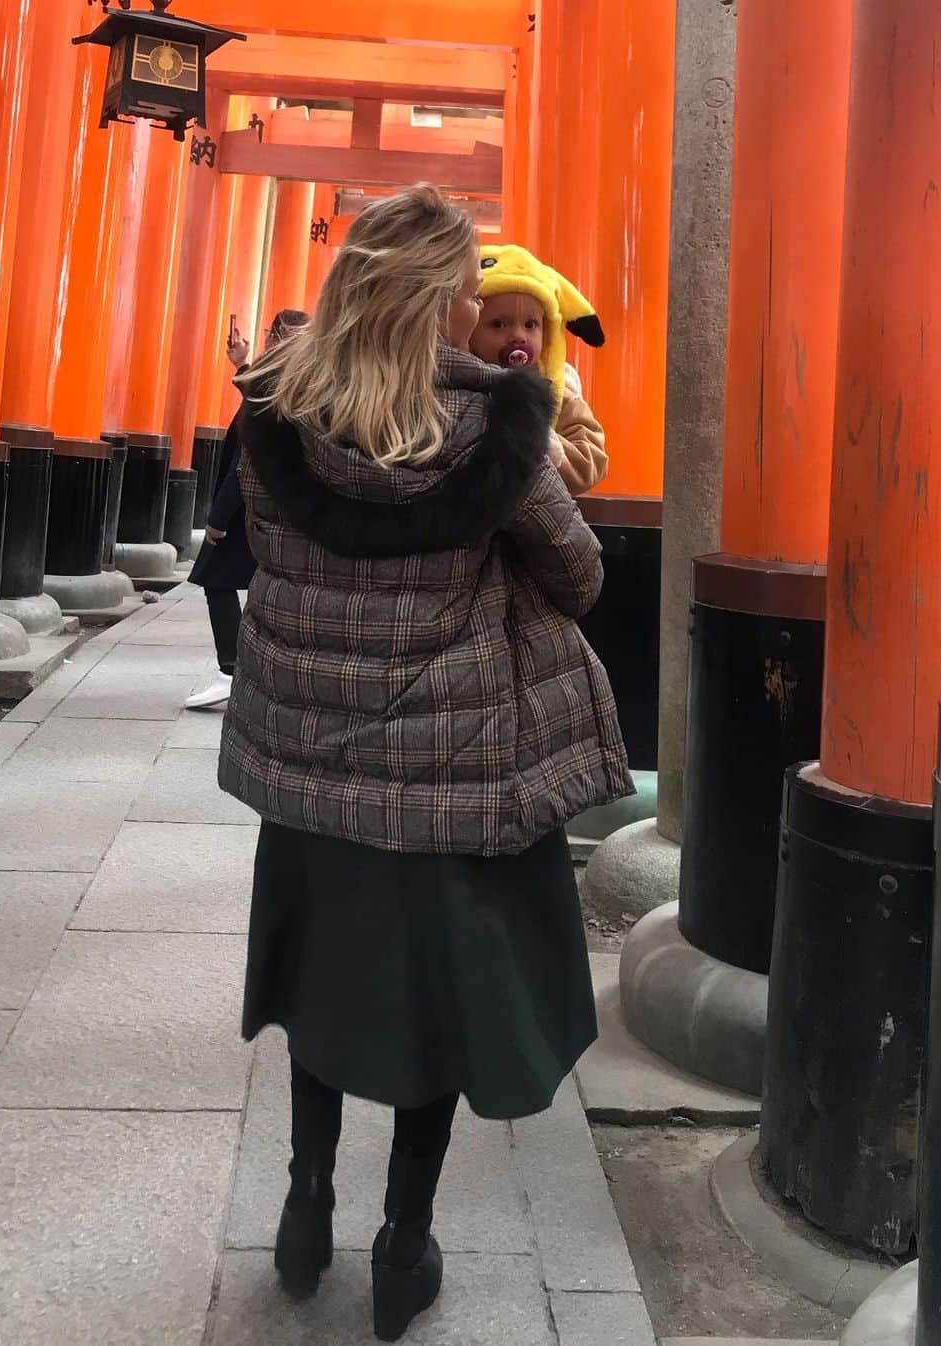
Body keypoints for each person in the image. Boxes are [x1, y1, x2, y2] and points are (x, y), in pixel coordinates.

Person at [217, 187, 633, 1341]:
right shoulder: (495, 426)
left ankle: (307, 1199)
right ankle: (404, 1240)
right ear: (444, 301)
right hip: (449, 781)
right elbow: (581, 573)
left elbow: (266, 546)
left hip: (309, 772)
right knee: (435, 1018)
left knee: (320, 988)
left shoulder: (272, 413)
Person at [185, 309, 310, 710]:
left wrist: (217, 519)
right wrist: (241, 363)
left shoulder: (283, 390)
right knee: (266, 587)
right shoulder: (298, 386)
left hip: (248, 506)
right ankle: (256, 671)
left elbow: (246, 460)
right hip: (277, 507)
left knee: (216, 579)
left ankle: (233, 670)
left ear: (275, 338)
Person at [469, 242, 609, 496]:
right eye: (499, 324)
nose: (518, 336)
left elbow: (592, 461)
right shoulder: (460, 385)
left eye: (531, 324)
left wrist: (546, 444)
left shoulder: (559, 391)